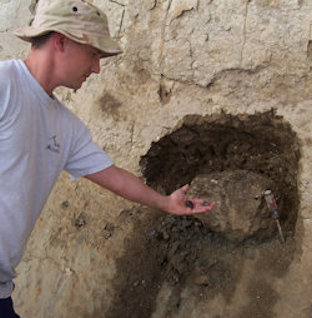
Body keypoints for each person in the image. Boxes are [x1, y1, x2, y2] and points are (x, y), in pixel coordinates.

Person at [0, 0, 213, 316]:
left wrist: (165, 203)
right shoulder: (5, 85)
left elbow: (113, 176)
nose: (97, 68)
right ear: (61, 40)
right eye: (94, 53)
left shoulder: (66, 126)